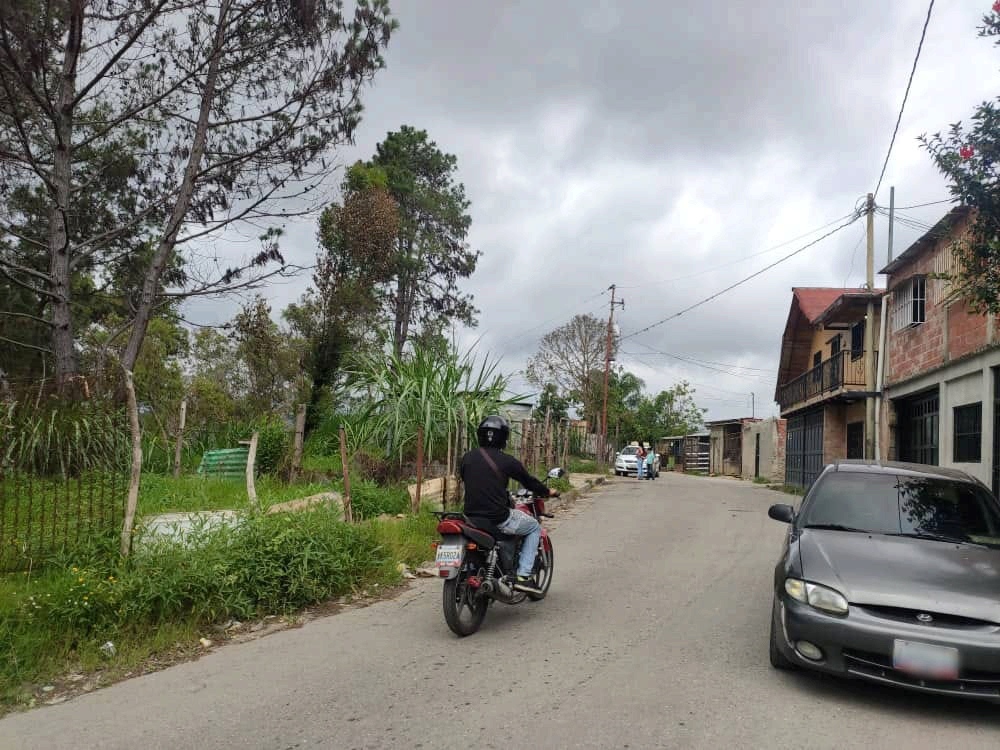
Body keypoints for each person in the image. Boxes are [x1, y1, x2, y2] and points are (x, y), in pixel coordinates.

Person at [460, 415, 558, 595]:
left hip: (470, 518)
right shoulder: (507, 461)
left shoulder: (467, 458)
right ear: (504, 438)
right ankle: (523, 577)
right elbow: (529, 482)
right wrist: (547, 492)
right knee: (534, 527)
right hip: (497, 517)